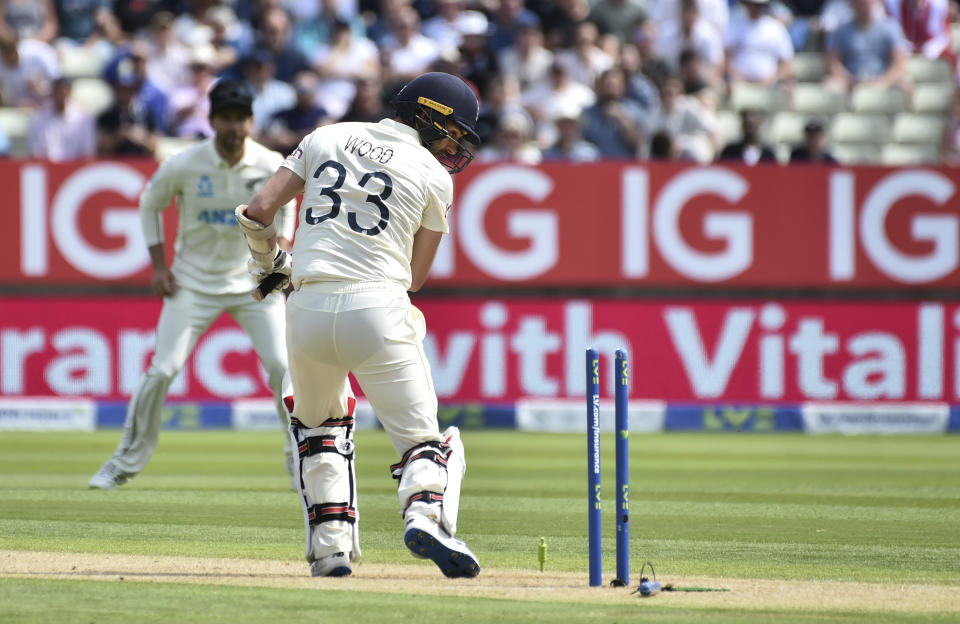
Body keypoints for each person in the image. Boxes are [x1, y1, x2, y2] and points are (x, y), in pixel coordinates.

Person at [234, 71, 482, 579]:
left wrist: (269, 264)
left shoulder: (326, 136)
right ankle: (426, 515)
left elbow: (258, 211)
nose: (453, 144)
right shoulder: (435, 176)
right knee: (427, 444)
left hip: (305, 309)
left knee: (319, 431)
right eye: (451, 131)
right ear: (427, 115)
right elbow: (415, 277)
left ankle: (330, 550)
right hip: (377, 308)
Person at [88, 80, 297, 490]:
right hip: (193, 283)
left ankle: (299, 463)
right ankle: (123, 463)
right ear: (212, 120)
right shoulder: (185, 162)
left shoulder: (270, 163)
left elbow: (286, 205)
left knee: (285, 367)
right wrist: (159, 266)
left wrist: (280, 256)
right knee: (162, 370)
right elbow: (151, 202)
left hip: (253, 283)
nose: (234, 127)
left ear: (252, 121)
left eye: (241, 119)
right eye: (226, 118)